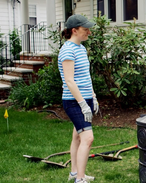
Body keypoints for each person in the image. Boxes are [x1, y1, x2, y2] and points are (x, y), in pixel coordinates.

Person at [58, 14, 99, 183]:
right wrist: (83, 103)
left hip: (85, 98)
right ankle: (80, 179)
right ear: (74, 30)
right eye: (85, 29)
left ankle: (74, 173)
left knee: (77, 136)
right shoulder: (67, 50)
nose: (89, 32)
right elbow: (69, 80)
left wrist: (93, 97)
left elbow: (85, 77)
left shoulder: (80, 48)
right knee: (87, 138)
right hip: (74, 101)